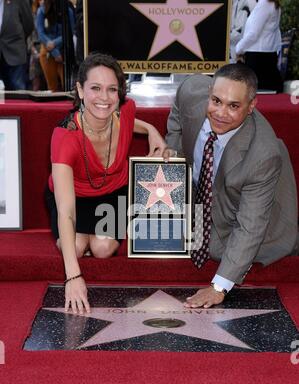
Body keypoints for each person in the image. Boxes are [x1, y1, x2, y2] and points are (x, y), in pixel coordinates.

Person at [166, 63, 298, 309]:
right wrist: (172, 149)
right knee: (162, 230)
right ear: (209, 93)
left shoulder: (264, 155)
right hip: (203, 196)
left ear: (251, 107)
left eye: (234, 106)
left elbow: (250, 226)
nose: (221, 113)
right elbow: (177, 111)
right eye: (216, 101)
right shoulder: (191, 91)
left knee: (213, 248)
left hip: (244, 210)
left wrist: (218, 288)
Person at [46, 52, 167, 314]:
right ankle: (82, 239)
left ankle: (92, 236)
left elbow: (126, 120)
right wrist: (73, 277)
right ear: (80, 90)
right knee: (76, 249)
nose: (104, 97)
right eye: (95, 88)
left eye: (112, 89)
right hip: (73, 197)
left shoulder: (124, 110)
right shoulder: (65, 137)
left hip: (112, 192)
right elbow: (66, 212)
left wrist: (152, 131)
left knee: (101, 248)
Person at [235, 0, 283, 92]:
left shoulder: (264, 4)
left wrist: (238, 49)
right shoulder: (273, 4)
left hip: (257, 59)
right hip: (267, 56)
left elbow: (253, 34)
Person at [36, 0, 75, 91]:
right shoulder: (42, 11)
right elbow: (40, 33)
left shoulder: (67, 11)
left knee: (67, 86)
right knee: (52, 87)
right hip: (48, 49)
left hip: (64, 49)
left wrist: (55, 43)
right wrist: (55, 52)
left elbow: (71, 32)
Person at [0, 0, 34, 90]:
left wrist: (18, 40)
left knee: (18, 91)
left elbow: (29, 24)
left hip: (15, 52)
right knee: (1, 97)